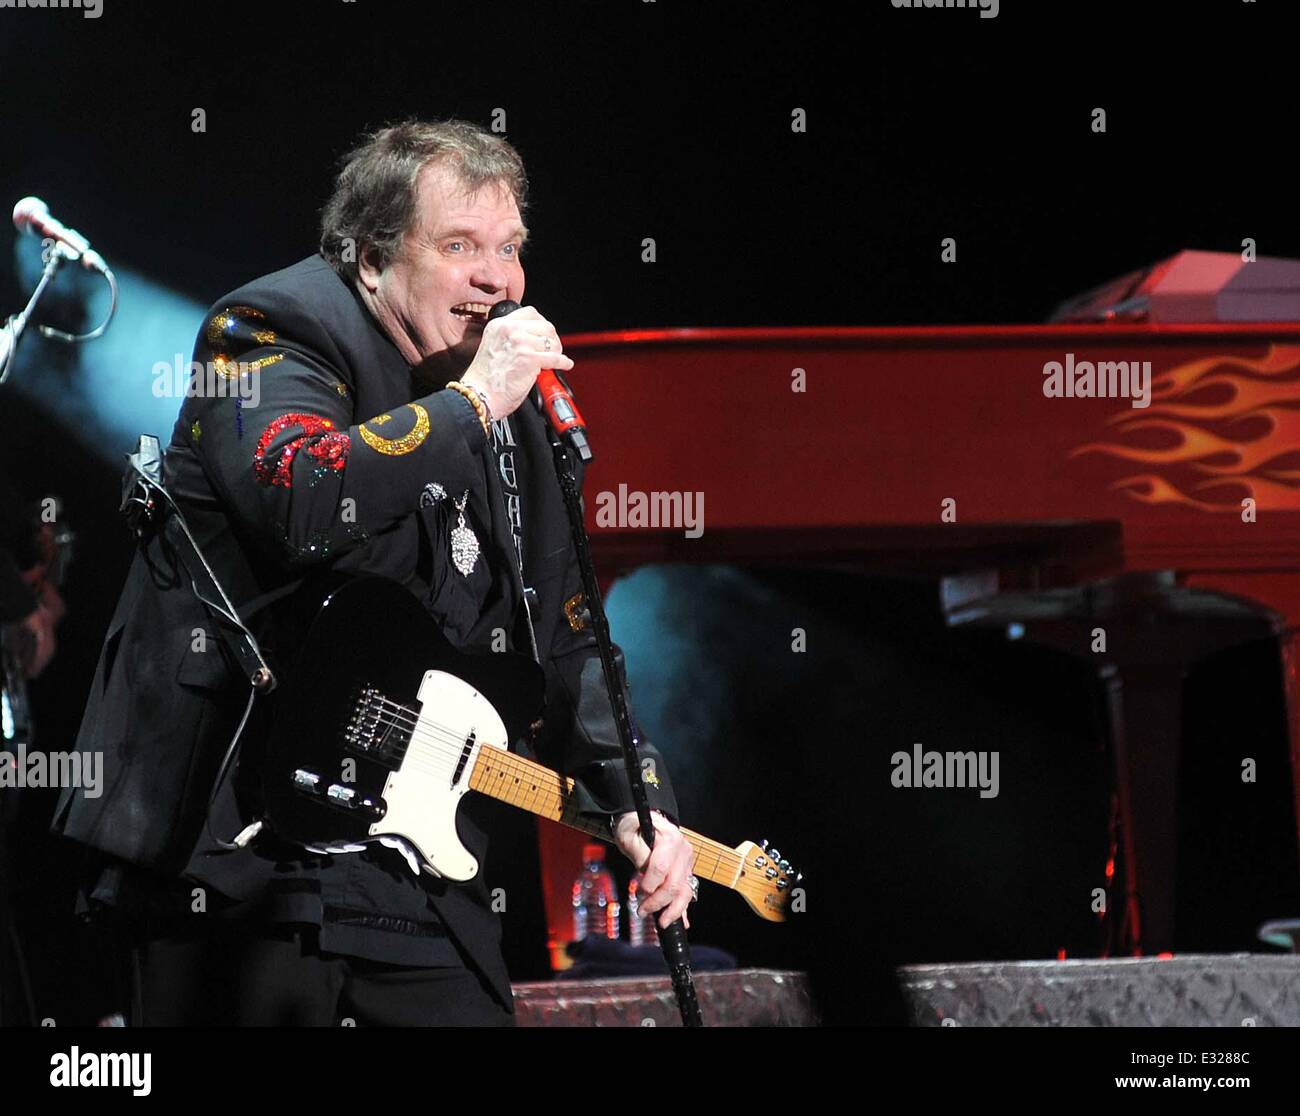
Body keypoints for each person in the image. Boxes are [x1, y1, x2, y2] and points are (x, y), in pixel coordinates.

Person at [51, 118, 695, 1026]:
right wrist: (472, 406)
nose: (496, 279)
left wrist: (636, 799)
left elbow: (568, 633)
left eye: (509, 249)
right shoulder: (270, 329)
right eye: (459, 246)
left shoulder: (518, 414)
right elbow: (303, 496)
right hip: (240, 851)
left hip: (412, 861)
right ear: (370, 256)